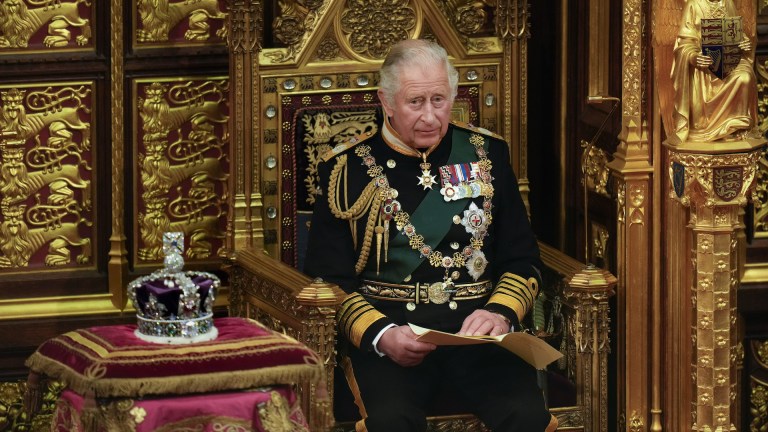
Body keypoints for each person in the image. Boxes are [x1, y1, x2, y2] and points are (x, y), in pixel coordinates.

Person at [304, 39, 556, 432]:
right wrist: (381, 335)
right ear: (386, 102)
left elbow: (521, 258)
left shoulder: (486, 155)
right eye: (415, 102)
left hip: (480, 338)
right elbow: (328, 280)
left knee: (526, 417)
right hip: (393, 339)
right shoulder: (346, 171)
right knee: (390, 422)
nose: (430, 117)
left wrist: (500, 313)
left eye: (439, 100)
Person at [670, 0, 758, 143]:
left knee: (745, 76)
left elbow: (736, 33)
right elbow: (684, 44)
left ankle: (737, 126)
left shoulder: (727, 3)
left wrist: (744, 44)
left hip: (729, 61)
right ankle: (707, 127)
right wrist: (694, 57)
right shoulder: (694, 5)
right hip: (704, 67)